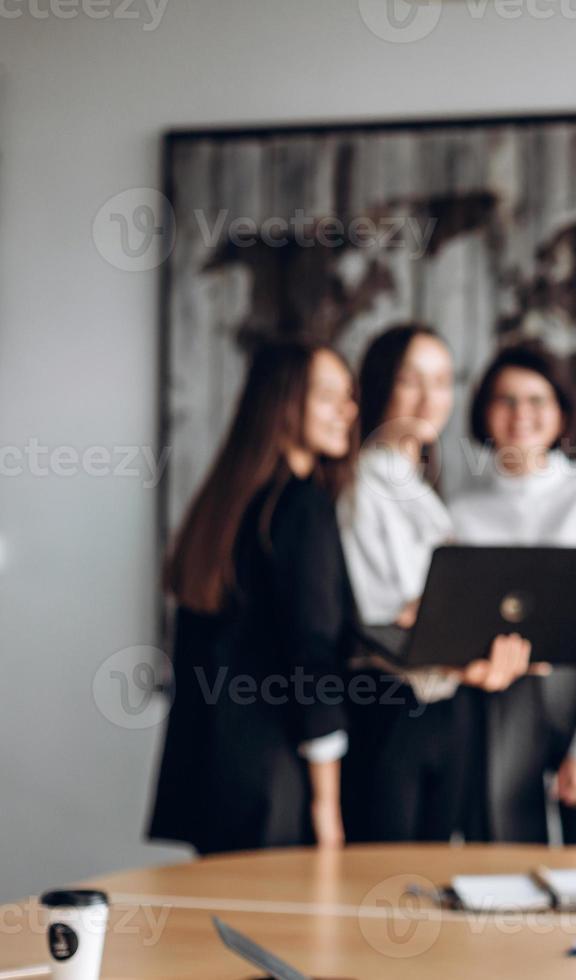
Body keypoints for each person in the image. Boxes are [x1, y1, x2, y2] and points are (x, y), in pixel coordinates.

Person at [148, 342, 361, 855]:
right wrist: (328, 805)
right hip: (278, 781)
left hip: (215, 775)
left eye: (349, 397)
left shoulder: (227, 504)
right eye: (328, 396)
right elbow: (311, 657)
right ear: (283, 403)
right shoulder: (302, 506)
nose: (348, 411)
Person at [338, 323, 542, 843]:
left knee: (433, 875)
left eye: (443, 381)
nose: (431, 398)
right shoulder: (362, 484)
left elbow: (427, 608)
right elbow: (385, 617)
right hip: (391, 710)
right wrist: (462, 637)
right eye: (412, 381)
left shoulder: (420, 487)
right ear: (381, 384)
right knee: (386, 885)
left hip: (445, 707)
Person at [449, 346, 576, 844]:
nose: (521, 415)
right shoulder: (461, 513)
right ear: (484, 412)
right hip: (499, 705)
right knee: (503, 869)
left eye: (537, 400)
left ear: (560, 414)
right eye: (506, 400)